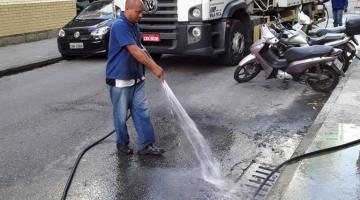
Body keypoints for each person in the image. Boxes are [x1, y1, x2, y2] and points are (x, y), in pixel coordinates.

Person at [106, 0, 165, 155]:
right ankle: (122, 144)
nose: (142, 15)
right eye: (138, 12)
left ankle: (146, 145)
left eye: (142, 12)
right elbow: (133, 50)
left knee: (142, 112)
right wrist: (154, 68)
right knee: (120, 116)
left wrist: (153, 63)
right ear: (127, 10)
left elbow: (141, 49)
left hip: (137, 79)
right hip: (120, 81)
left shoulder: (135, 26)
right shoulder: (119, 25)